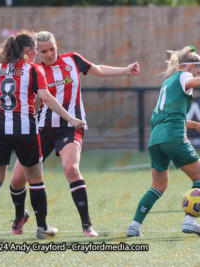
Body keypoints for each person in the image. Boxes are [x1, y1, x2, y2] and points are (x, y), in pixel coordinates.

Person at [9, 31, 140, 237]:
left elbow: (98, 69)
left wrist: (125, 70)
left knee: (71, 169)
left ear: (57, 44)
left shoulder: (72, 60)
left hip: (71, 126)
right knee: (17, 180)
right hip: (42, 128)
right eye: (43, 51)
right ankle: (20, 217)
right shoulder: (32, 70)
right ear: (35, 52)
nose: (49, 54)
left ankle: (87, 226)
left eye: (52, 48)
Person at [0, 30, 85, 239]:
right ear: (28, 50)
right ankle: (42, 227)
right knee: (35, 179)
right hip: (24, 128)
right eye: (36, 49)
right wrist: (71, 119)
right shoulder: (33, 70)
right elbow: (47, 98)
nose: (38, 54)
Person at [126, 45, 200, 237]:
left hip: (156, 139)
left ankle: (134, 226)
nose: (197, 75)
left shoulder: (168, 82)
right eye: (198, 71)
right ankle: (190, 222)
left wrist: (194, 124)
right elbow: (190, 82)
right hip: (173, 136)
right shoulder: (184, 76)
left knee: (157, 186)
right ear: (190, 67)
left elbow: (167, 116)